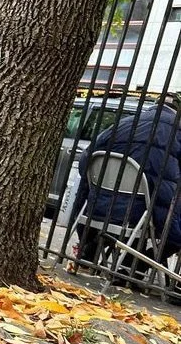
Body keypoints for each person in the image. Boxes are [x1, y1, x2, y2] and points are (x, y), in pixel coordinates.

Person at [72, 97, 181, 272]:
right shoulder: (178, 133)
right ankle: (138, 266)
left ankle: (91, 248)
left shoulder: (125, 123)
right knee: (169, 225)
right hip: (145, 213)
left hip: (101, 205)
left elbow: (86, 159)